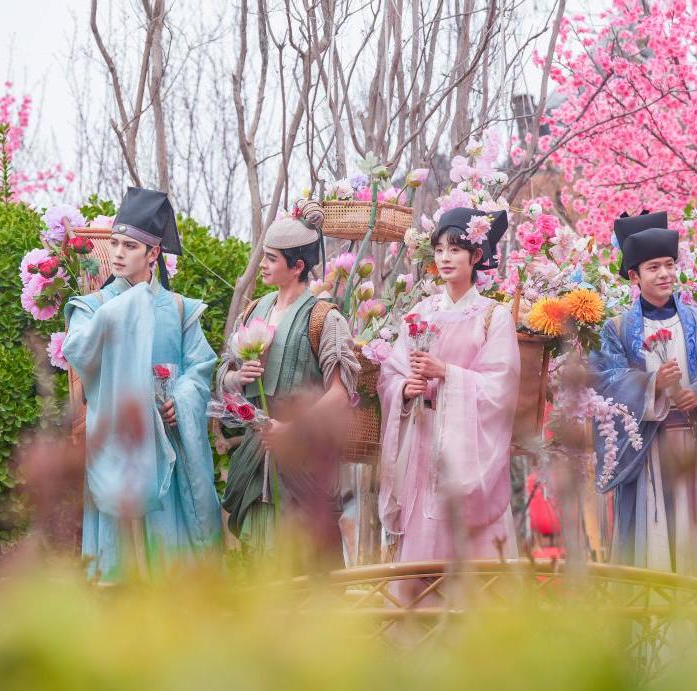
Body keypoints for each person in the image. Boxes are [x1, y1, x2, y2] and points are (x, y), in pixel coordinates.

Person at [63, 186, 221, 582]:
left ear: (153, 253)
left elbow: (200, 367)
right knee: (120, 553)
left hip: (169, 442)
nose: (118, 253)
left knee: (171, 548)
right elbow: (77, 349)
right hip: (118, 445)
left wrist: (179, 399)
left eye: (130, 246)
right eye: (115, 243)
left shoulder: (180, 309)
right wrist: (122, 308)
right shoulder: (95, 307)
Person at [589, 211, 697, 583]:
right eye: (653, 268)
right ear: (634, 276)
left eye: (669, 265)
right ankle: (656, 619)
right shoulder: (616, 330)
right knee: (655, 537)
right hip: (649, 450)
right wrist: (652, 386)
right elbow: (606, 384)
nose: (664, 274)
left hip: (696, 449)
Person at [218, 201, 359, 567]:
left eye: (271, 258)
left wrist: (291, 429)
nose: (262, 265)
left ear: (297, 266)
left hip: (303, 454)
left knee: (306, 555)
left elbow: (340, 394)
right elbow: (224, 374)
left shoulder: (324, 318)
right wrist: (238, 377)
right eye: (264, 256)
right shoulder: (254, 310)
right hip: (257, 450)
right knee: (259, 562)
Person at [377, 208, 520, 567]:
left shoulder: (494, 316)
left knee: (471, 558)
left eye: (455, 250)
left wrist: (445, 373)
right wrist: (405, 389)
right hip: (423, 442)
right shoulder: (420, 314)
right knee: (422, 549)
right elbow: (391, 374)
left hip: (469, 449)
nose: (445, 258)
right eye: (439, 249)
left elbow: (500, 388)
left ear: (476, 256)